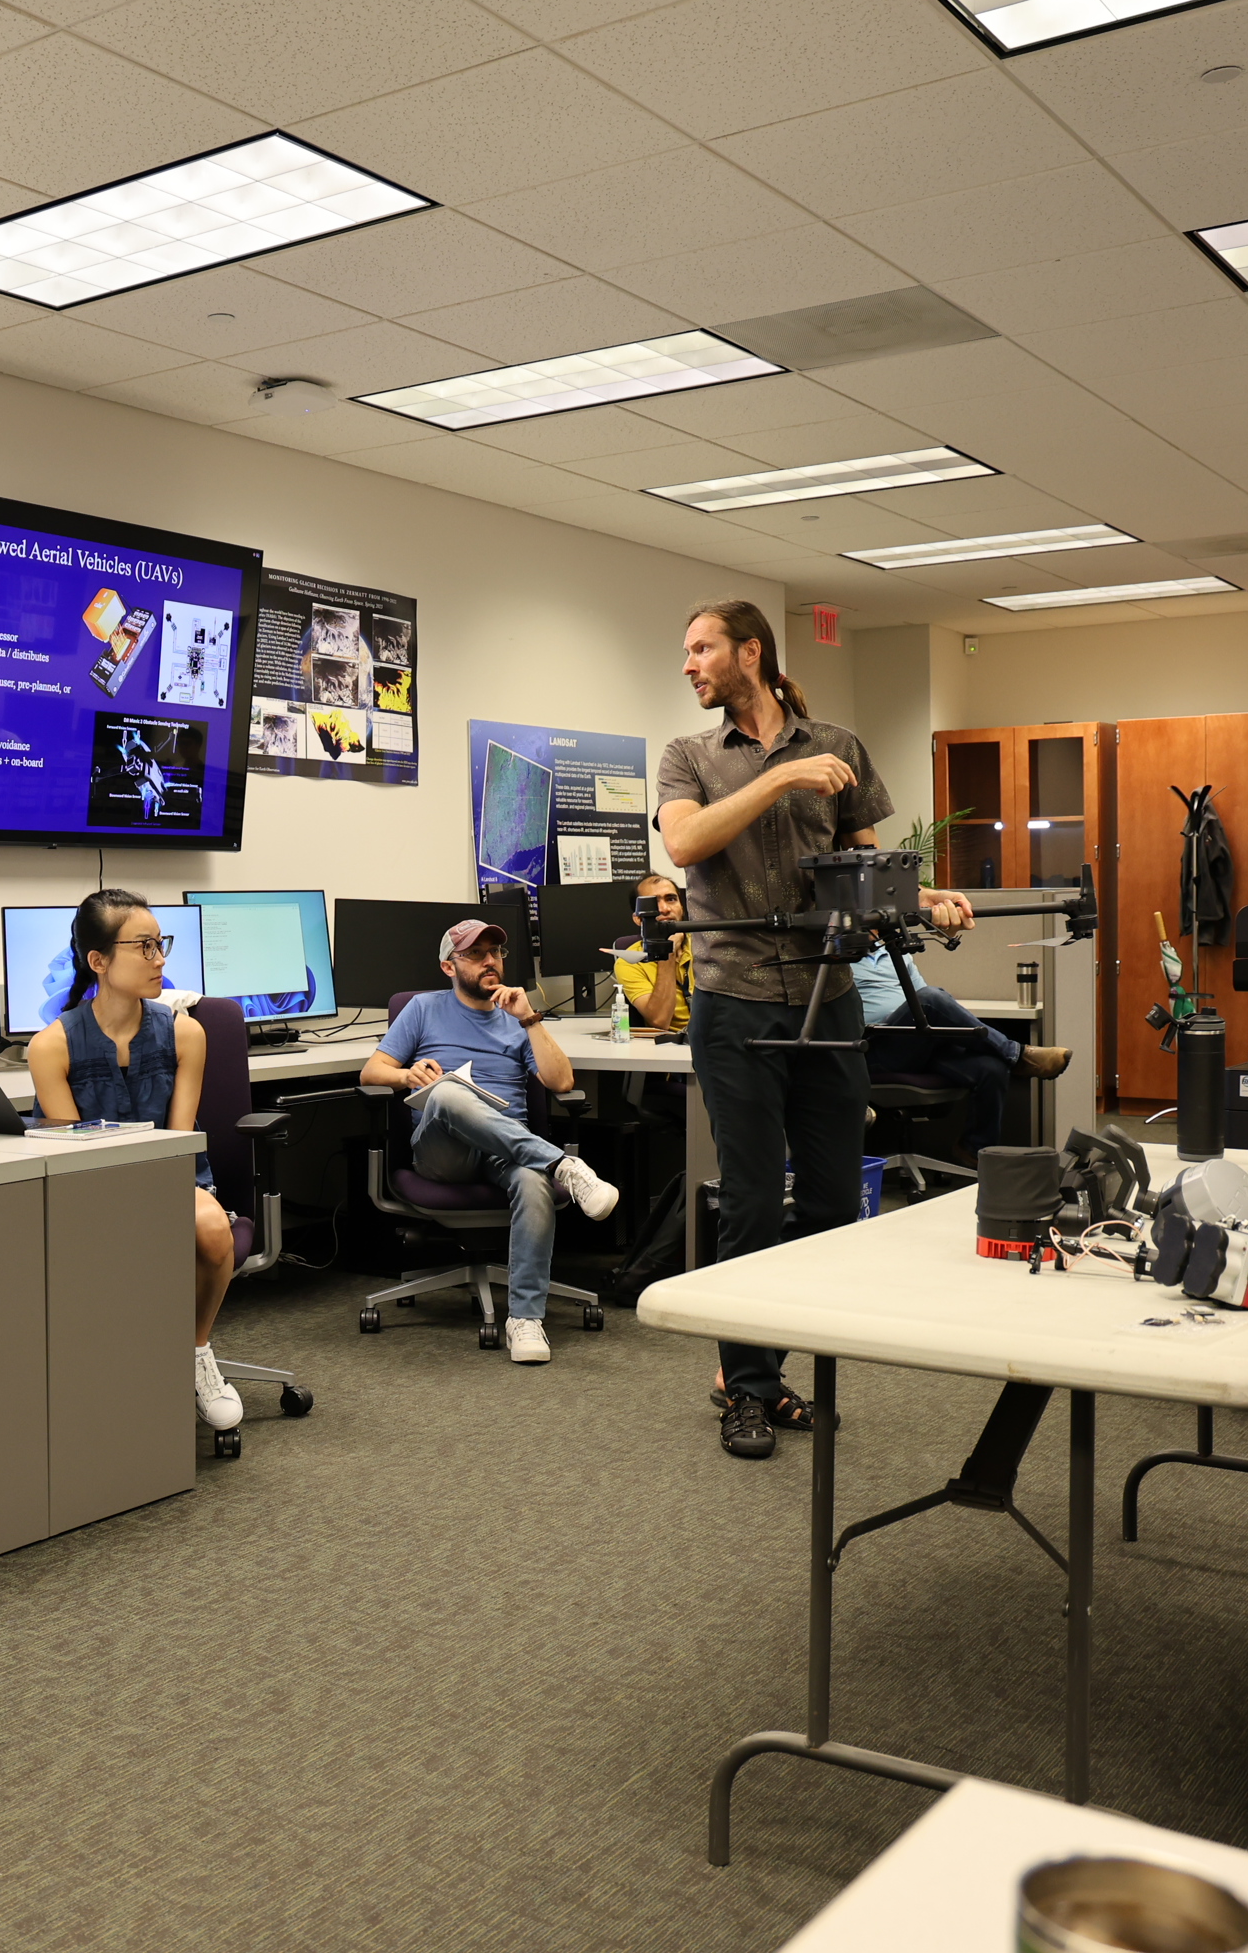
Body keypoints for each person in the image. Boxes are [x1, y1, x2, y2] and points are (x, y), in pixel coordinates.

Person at [654, 600, 973, 1460]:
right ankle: (747, 1391)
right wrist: (783, 781)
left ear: (748, 652)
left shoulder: (840, 744)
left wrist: (928, 900)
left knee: (835, 1205)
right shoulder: (688, 757)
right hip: (735, 1000)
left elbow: (870, 871)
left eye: (702, 648)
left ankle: (769, 1366)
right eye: (686, 651)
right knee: (753, 1202)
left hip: (828, 997)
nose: (688, 664)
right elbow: (684, 847)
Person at [25, 890, 246, 1433]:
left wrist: (157, 1195)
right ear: (98, 961)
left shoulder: (185, 1032)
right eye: (144, 947)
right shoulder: (50, 1046)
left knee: (213, 1226)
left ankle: (196, 1352)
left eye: (160, 944)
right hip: (90, 1184)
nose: (160, 959)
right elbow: (74, 1149)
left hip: (168, 1177)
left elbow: (179, 1142)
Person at [359, 919, 621, 1365]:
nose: (489, 961)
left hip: (509, 1149)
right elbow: (371, 1072)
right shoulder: (423, 1008)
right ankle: (563, 1166)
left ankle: (524, 1319)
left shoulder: (517, 1018)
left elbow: (562, 1081)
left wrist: (530, 1018)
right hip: (445, 1152)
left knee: (533, 1183)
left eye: (495, 953)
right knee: (446, 1092)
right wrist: (407, 1075)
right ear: (449, 966)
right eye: (475, 954)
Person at [848, 940, 1070, 1155]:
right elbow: (926, 1001)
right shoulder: (839, 960)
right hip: (874, 1047)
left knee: (991, 1067)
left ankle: (974, 1150)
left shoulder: (897, 954)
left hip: (917, 1043)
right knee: (931, 998)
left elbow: (920, 1003)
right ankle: (1018, 1055)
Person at [611, 872, 693, 1035]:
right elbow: (660, 1021)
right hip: (675, 1045)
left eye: (671, 899)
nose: (664, 909)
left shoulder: (707, 946)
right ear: (638, 919)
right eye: (653, 903)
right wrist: (668, 952)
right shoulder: (628, 962)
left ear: (681, 908)